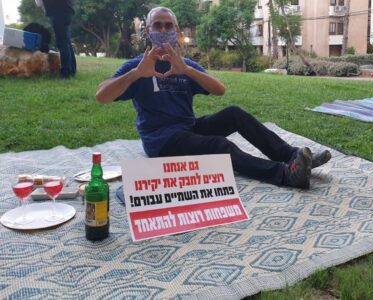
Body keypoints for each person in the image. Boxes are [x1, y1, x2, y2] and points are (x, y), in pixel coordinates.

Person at [95, 7, 331, 189]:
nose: (164, 30)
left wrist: (186, 70)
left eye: (169, 26)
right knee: (220, 146)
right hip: (161, 141)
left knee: (234, 114)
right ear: (148, 31)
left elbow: (219, 89)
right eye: (158, 25)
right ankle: (286, 175)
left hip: (189, 128)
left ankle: (293, 156)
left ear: (178, 32)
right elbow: (102, 96)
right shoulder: (137, 65)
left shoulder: (184, 65)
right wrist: (137, 74)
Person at [42, 0, 76, 78]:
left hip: (58, 12)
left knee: (62, 43)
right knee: (66, 42)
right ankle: (72, 70)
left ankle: (65, 72)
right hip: (66, 11)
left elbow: (39, 3)